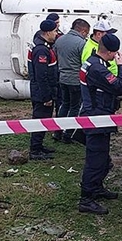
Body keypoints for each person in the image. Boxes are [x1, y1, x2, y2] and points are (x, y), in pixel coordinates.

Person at [78, 33, 122, 215]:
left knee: (102, 158)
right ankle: (86, 198)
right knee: (96, 160)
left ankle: (96, 187)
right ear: (110, 53)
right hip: (96, 118)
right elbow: (120, 87)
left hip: (99, 115)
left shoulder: (94, 62)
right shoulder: (98, 69)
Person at [54, 18, 90, 143]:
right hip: (75, 80)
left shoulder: (59, 40)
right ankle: (68, 133)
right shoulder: (81, 43)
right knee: (75, 107)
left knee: (64, 104)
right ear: (83, 31)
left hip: (62, 78)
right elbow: (84, 62)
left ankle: (57, 131)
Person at [28, 19, 60, 160]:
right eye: (54, 31)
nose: (56, 34)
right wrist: (47, 97)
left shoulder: (42, 45)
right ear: (47, 33)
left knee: (43, 120)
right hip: (42, 93)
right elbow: (42, 75)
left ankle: (39, 145)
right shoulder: (42, 50)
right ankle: (35, 150)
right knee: (40, 119)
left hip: (41, 90)